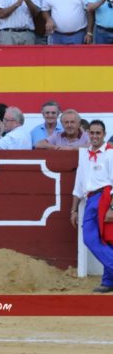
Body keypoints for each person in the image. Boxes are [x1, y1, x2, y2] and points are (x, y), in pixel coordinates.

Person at [71, 120, 113, 293]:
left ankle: (108, 281)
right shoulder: (84, 154)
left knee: (106, 239)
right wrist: (73, 209)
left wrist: (112, 207)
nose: (95, 136)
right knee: (91, 238)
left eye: (98, 133)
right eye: (92, 133)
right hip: (91, 199)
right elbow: (79, 185)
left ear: (104, 134)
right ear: (88, 134)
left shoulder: (110, 153)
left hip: (105, 197)